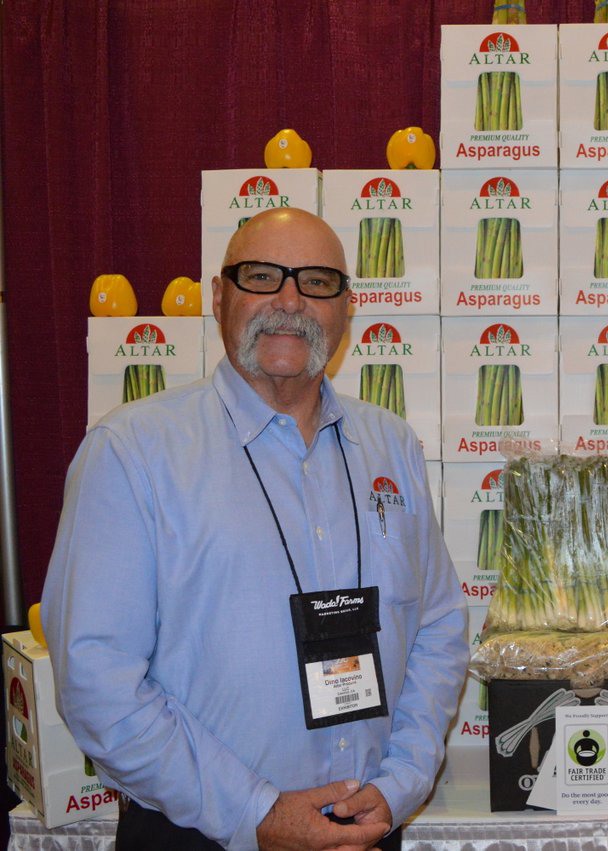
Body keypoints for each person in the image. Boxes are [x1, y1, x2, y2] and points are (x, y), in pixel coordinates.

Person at [42, 208, 468, 850]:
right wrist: (255, 814)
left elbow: (437, 626)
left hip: (368, 825)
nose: (290, 301)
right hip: (201, 834)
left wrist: (401, 782)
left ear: (346, 307)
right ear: (219, 297)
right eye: (263, 276)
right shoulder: (132, 452)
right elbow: (96, 680)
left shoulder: (392, 445)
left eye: (317, 281)